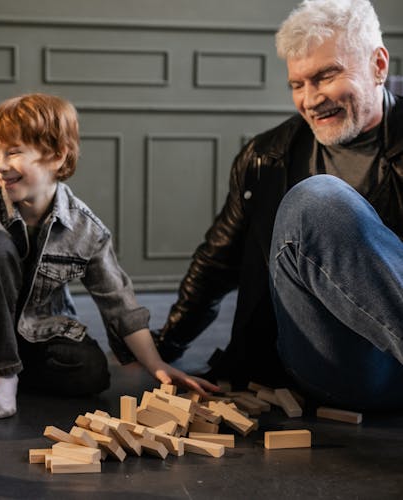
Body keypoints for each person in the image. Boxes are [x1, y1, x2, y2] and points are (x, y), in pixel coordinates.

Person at [155, 0, 403, 410]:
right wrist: (163, 348)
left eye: (326, 76)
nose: (310, 100)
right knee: (317, 201)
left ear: (379, 66)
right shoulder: (266, 156)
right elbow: (219, 260)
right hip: (337, 365)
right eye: (297, 84)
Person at [0, 93, 218, 419]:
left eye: (14, 152)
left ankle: (7, 372)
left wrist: (156, 363)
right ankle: (0, 375)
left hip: (37, 333)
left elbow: (119, 304)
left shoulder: (86, 229)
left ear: (57, 156)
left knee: (91, 373)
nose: (1, 166)